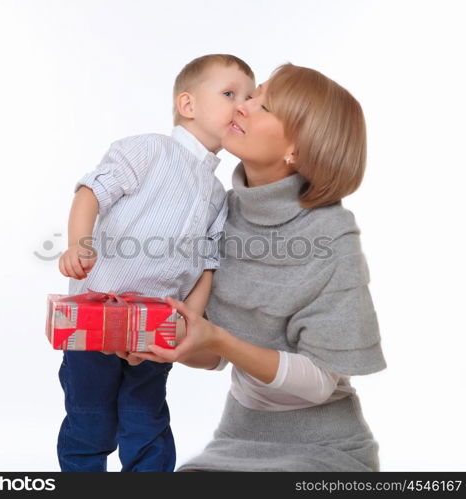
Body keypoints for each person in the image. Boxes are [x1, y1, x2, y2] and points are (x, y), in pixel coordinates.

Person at [128, 63, 388, 472]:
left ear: (298, 150)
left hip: (326, 452)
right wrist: (161, 342)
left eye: (265, 106)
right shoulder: (218, 212)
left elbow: (320, 383)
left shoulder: (332, 236)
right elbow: (211, 354)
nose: (244, 107)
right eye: (252, 96)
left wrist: (217, 339)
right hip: (237, 441)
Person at [56, 54, 256, 471]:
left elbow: (208, 263)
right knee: (89, 420)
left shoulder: (219, 195)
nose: (243, 105)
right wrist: (79, 244)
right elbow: (91, 192)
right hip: (96, 315)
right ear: (188, 105)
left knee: (145, 419)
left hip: (154, 327)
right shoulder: (150, 149)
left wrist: (190, 320)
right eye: (229, 94)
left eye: (251, 98)